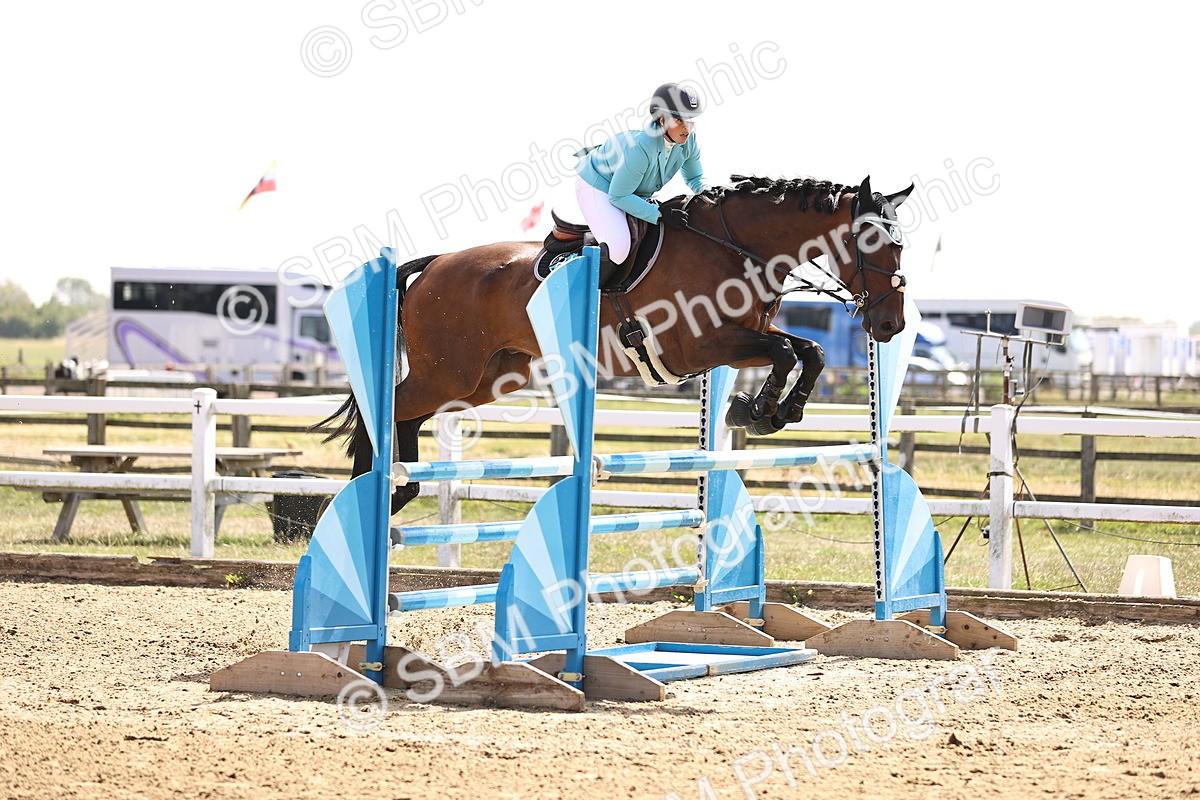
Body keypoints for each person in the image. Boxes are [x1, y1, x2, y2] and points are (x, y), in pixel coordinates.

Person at [575, 83, 708, 272]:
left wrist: (711, 195)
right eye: (679, 120)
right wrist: (660, 213)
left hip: (630, 191)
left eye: (690, 120)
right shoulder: (642, 147)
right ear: (661, 120)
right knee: (618, 248)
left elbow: (695, 178)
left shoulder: (688, 140)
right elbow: (618, 196)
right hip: (598, 185)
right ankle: (586, 297)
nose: (687, 127)